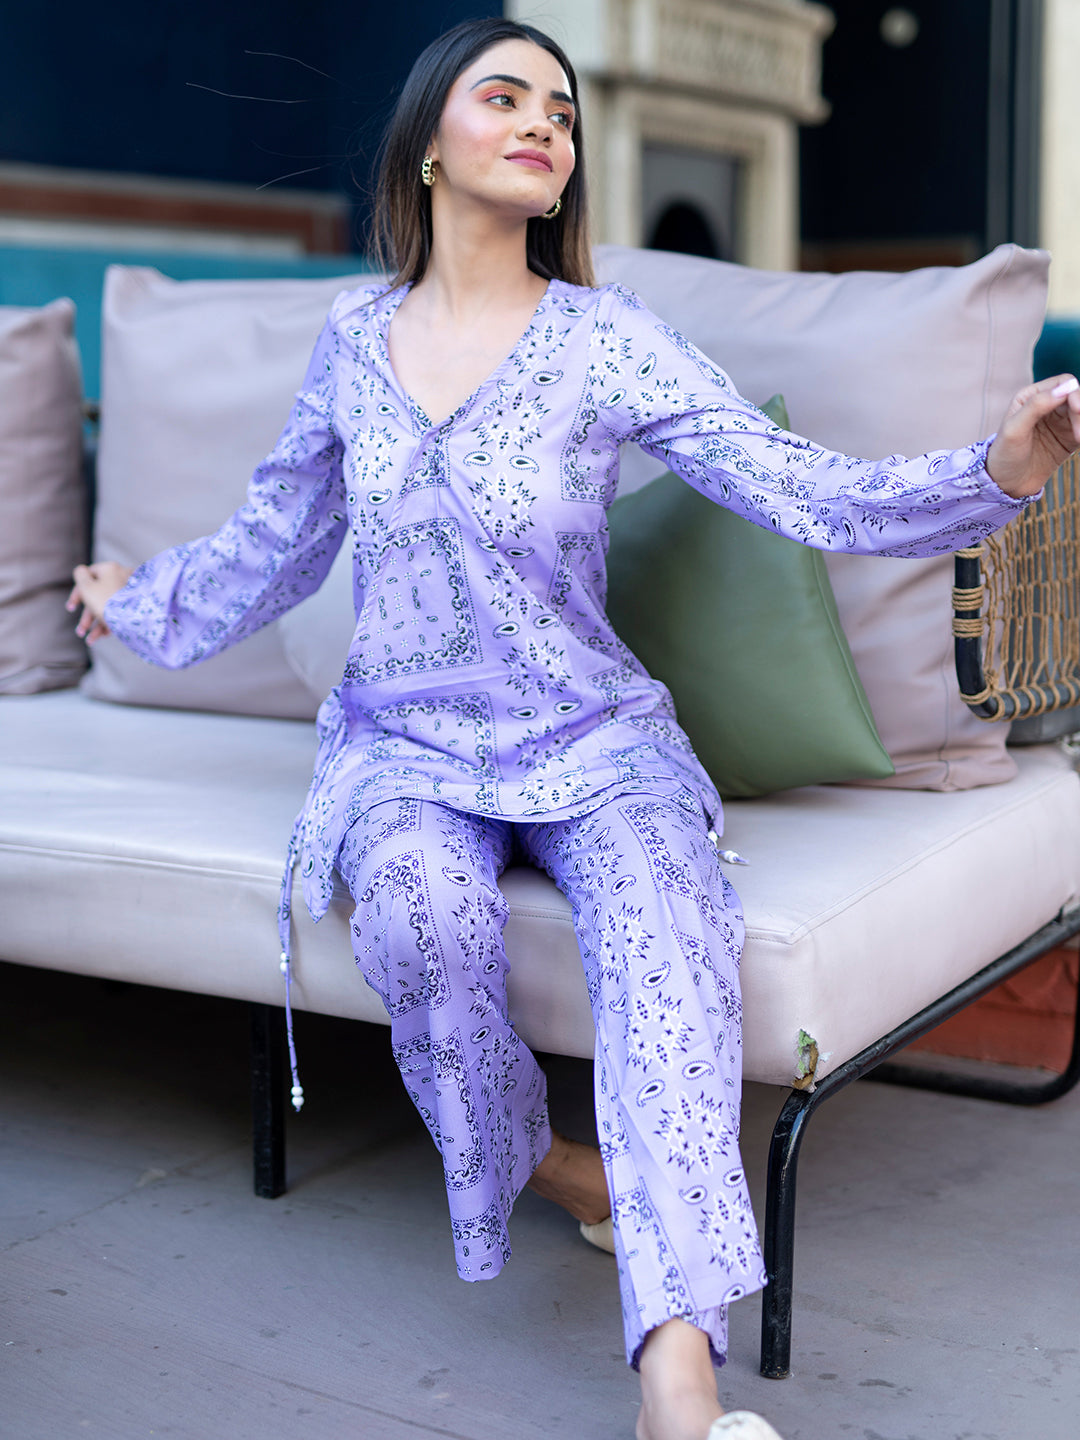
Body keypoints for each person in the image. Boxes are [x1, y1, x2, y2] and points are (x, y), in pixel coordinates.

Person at [67, 18, 1080, 1440]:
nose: (544, 121)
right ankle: (552, 1167)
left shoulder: (606, 340)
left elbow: (793, 485)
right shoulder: (352, 342)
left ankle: (680, 1389)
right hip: (406, 747)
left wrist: (999, 471)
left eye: (561, 108)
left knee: (667, 956)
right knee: (420, 917)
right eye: (506, 96)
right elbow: (275, 542)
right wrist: (139, 603)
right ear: (430, 143)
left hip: (594, 740)